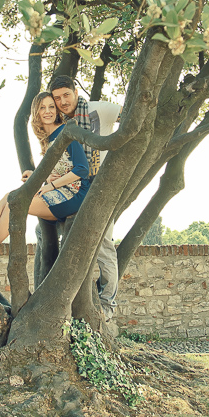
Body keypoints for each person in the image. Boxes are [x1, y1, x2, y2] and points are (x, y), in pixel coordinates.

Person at [0, 92, 90, 268]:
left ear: (57, 111)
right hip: (60, 191)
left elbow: (82, 169)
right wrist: (40, 176)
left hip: (75, 194)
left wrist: (51, 185)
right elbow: (61, 168)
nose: (47, 111)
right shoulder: (48, 138)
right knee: (10, 197)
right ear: (37, 112)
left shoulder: (65, 132)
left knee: (15, 204)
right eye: (42, 108)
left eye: (51, 107)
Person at [48, 75, 122, 319]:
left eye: (66, 95)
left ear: (75, 92)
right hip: (73, 189)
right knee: (49, 237)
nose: (62, 102)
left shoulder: (98, 110)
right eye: (57, 98)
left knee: (103, 246)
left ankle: (107, 304)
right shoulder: (59, 125)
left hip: (101, 188)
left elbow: (132, 119)